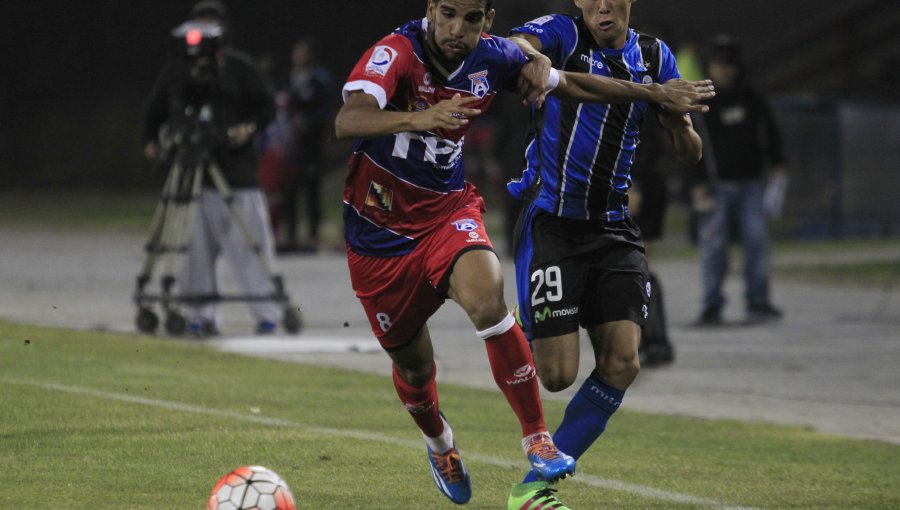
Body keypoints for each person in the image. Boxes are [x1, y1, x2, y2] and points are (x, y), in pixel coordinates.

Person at [334, 0, 713, 505]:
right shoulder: (397, 52)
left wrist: (653, 99)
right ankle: (439, 442)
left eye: (471, 18)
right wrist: (422, 117)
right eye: (447, 14)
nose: (456, 28)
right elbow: (349, 118)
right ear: (430, 10)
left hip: (453, 214)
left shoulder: (499, 57)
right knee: (416, 369)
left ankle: (537, 445)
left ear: (485, 20)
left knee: (492, 299)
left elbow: (571, 84)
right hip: (378, 235)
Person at [505, 1, 707, 506]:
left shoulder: (656, 56)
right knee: (556, 376)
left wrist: (680, 125)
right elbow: (516, 46)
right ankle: (524, 318)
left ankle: (533, 489)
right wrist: (531, 57)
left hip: (615, 229)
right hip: (553, 224)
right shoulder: (563, 34)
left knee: (623, 362)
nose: (601, 6)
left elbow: (690, 151)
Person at [142, 0, 282, 336]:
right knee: (193, 251)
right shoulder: (176, 69)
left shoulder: (237, 67)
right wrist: (150, 139)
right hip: (192, 175)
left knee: (250, 246)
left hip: (235, 174)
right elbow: (155, 107)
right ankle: (200, 316)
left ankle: (267, 313)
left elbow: (267, 106)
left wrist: (247, 128)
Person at [693, 35, 787, 325]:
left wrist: (778, 162)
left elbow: (769, 132)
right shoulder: (700, 103)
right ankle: (712, 304)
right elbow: (689, 144)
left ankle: (758, 302)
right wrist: (696, 183)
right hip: (715, 185)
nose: (725, 70)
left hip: (750, 184)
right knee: (713, 248)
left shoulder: (751, 97)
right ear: (710, 67)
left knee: (757, 243)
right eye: (719, 64)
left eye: (729, 65)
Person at [280, 38, 334, 252]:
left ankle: (313, 233)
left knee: (311, 187)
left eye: (303, 53)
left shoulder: (319, 79)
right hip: (290, 143)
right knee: (289, 188)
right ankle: (290, 234)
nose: (299, 57)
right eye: (297, 53)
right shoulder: (288, 79)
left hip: (312, 142)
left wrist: (309, 122)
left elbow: (327, 107)